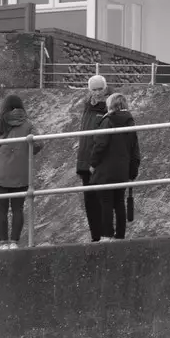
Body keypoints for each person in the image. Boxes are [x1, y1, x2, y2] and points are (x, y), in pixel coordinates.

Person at [0, 93, 39, 249]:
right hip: (21, 172)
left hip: (0, 172)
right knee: (18, 208)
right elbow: (39, 143)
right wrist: (26, 153)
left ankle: (3, 243)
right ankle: (14, 242)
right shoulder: (28, 124)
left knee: (1, 208)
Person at [89, 92, 141, 241]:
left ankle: (107, 235)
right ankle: (120, 236)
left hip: (105, 170)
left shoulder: (107, 121)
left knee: (106, 203)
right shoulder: (130, 122)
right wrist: (132, 172)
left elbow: (100, 144)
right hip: (122, 170)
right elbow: (134, 150)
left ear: (111, 105)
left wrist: (93, 163)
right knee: (119, 202)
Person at [74, 75, 109, 243]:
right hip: (85, 162)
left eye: (99, 89)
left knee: (102, 199)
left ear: (105, 88)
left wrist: (97, 162)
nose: (97, 93)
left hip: (100, 163)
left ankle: (105, 234)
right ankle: (96, 236)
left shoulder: (109, 108)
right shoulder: (87, 107)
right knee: (90, 202)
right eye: (94, 89)